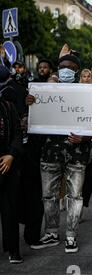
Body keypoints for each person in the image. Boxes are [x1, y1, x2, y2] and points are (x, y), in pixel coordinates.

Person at [30, 50, 92, 254]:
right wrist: (31, 103)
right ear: (58, 69)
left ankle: (71, 236)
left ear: (77, 71)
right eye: (63, 67)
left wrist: (84, 138)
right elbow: (33, 116)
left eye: (71, 68)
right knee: (49, 195)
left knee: (75, 196)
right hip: (50, 153)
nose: (67, 71)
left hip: (76, 154)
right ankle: (52, 232)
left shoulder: (86, 93)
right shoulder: (47, 89)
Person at [0, 65, 23, 264]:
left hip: (9, 165)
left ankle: (13, 250)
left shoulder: (8, 106)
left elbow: (17, 133)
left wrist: (11, 155)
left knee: (10, 210)